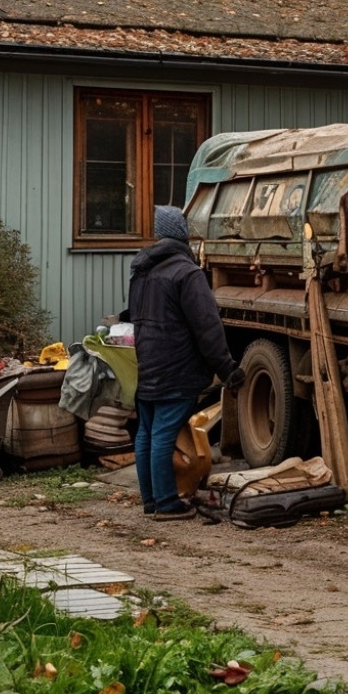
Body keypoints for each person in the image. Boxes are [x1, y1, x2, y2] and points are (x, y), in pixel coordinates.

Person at [128, 205, 244, 520]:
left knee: (147, 432)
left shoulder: (141, 271)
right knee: (164, 433)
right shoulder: (187, 273)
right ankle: (166, 503)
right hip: (177, 367)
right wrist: (227, 369)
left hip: (147, 362)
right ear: (182, 234)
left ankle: (151, 500)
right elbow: (207, 328)